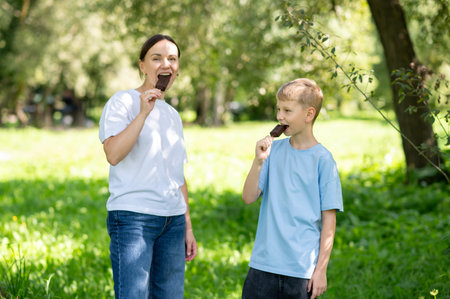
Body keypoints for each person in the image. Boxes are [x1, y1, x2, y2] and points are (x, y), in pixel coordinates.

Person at [98, 34, 197, 299]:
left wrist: (187, 225)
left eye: (172, 59)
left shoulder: (173, 115)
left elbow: (177, 175)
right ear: (142, 65)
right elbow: (113, 154)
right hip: (133, 218)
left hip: (173, 221)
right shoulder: (122, 102)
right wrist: (143, 113)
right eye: (157, 58)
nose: (166, 64)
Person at [241, 78, 343, 299]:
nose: (280, 116)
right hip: (263, 265)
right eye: (279, 109)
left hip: (301, 270)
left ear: (309, 114)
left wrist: (321, 270)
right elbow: (249, 197)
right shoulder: (272, 153)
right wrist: (258, 161)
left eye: (287, 110)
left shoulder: (323, 160)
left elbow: (329, 220)